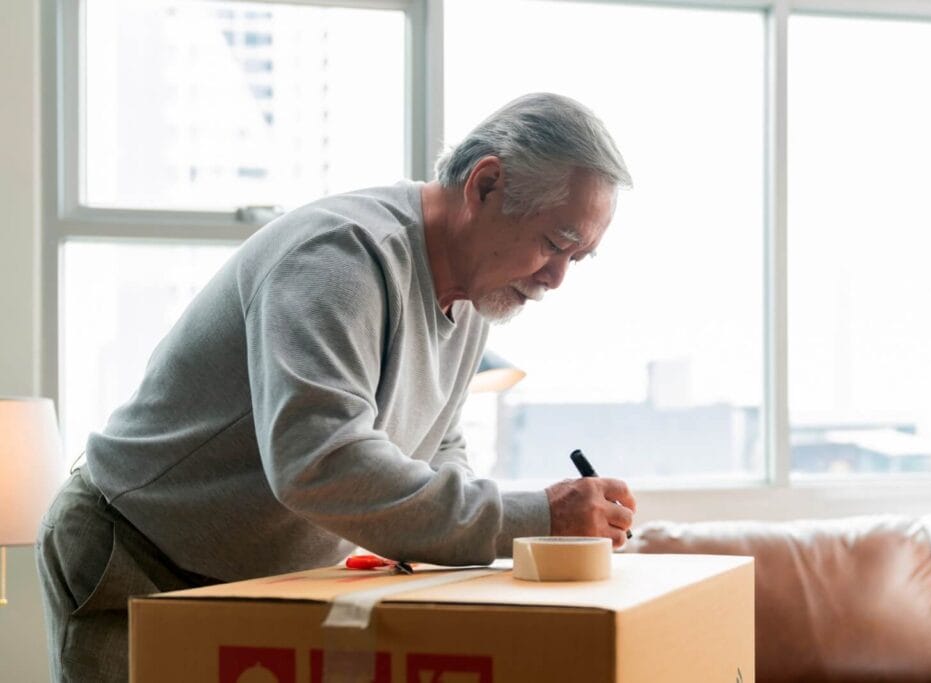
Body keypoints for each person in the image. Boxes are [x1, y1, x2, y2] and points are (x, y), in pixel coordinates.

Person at [36, 92, 636, 682]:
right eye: (555, 244)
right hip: (139, 554)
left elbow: (433, 445)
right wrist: (534, 518)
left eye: (577, 259)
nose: (556, 278)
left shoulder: (475, 296)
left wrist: (443, 538)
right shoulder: (340, 258)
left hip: (255, 583)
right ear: (485, 186)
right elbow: (321, 464)